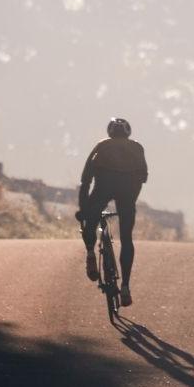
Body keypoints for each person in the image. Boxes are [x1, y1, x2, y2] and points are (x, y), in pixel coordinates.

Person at [76, 117, 148, 307]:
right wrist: (131, 198)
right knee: (126, 238)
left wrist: (83, 209)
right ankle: (125, 287)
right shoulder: (137, 148)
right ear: (128, 133)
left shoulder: (102, 146)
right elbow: (143, 177)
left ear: (109, 132)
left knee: (89, 221)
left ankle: (91, 254)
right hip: (127, 193)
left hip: (102, 190)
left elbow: (85, 181)